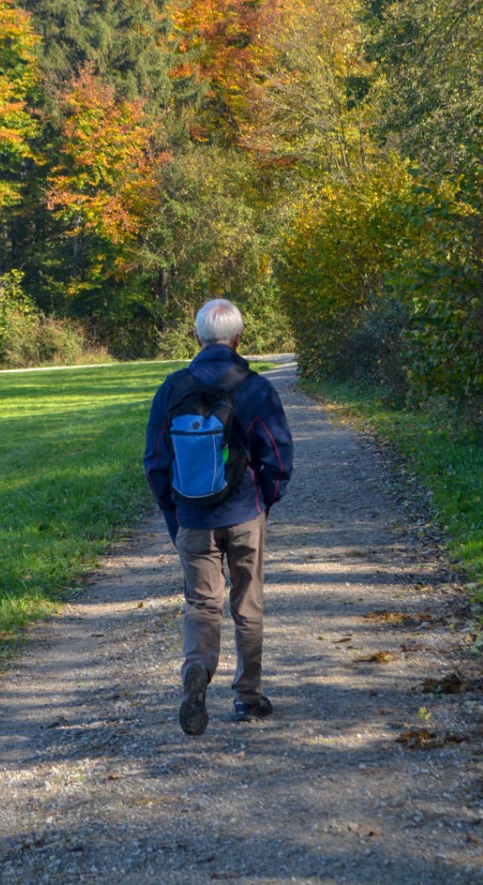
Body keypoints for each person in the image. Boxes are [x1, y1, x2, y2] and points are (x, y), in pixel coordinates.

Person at [143, 298, 294, 735]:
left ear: (197, 338)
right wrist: (263, 500)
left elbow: (155, 462)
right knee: (247, 603)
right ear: (239, 338)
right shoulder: (254, 387)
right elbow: (278, 455)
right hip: (244, 512)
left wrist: (176, 517)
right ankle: (248, 698)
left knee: (201, 604)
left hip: (193, 516)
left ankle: (197, 673)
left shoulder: (173, 387)